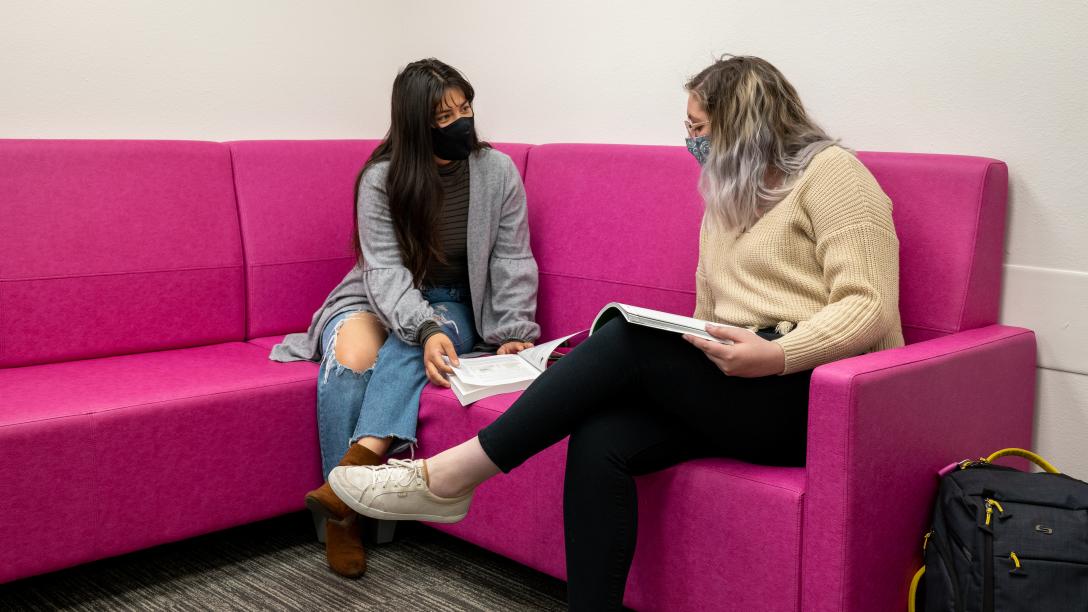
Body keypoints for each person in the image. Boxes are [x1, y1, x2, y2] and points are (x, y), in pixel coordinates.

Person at [327, 55, 904, 608]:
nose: (691, 140)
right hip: (743, 390)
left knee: (627, 340)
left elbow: (869, 306)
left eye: (698, 127)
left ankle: (450, 477)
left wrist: (777, 356)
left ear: (744, 127)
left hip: (812, 398)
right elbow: (716, 311)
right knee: (601, 436)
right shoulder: (729, 198)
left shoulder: (834, 175)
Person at [269, 58, 540, 578]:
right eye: (444, 116)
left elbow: (511, 258)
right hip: (375, 295)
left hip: (460, 300)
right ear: (415, 124)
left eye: (465, 108)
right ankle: (344, 520)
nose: (461, 122)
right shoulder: (381, 179)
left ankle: (344, 489)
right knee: (352, 356)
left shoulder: (497, 171)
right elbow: (386, 273)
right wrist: (426, 328)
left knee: (424, 334)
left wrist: (511, 331)